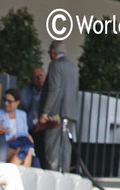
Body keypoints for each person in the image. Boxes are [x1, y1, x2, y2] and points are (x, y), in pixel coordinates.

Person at [38, 40, 79, 172]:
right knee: (66, 149)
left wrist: (45, 111)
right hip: (70, 113)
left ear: (52, 52)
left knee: (53, 149)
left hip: (56, 114)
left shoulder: (55, 65)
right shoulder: (73, 67)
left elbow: (54, 89)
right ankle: (64, 177)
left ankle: (53, 177)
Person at [0, 89, 37, 167]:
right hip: (6, 144)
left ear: (17, 103)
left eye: (9, 101)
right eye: (4, 100)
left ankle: (10, 174)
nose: (6, 103)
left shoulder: (22, 114)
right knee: (25, 151)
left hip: (19, 143)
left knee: (27, 150)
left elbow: (24, 132)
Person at [20, 67, 45, 134]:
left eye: (41, 75)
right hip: (29, 127)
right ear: (32, 79)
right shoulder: (24, 92)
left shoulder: (50, 92)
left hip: (44, 128)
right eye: (36, 76)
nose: (39, 78)